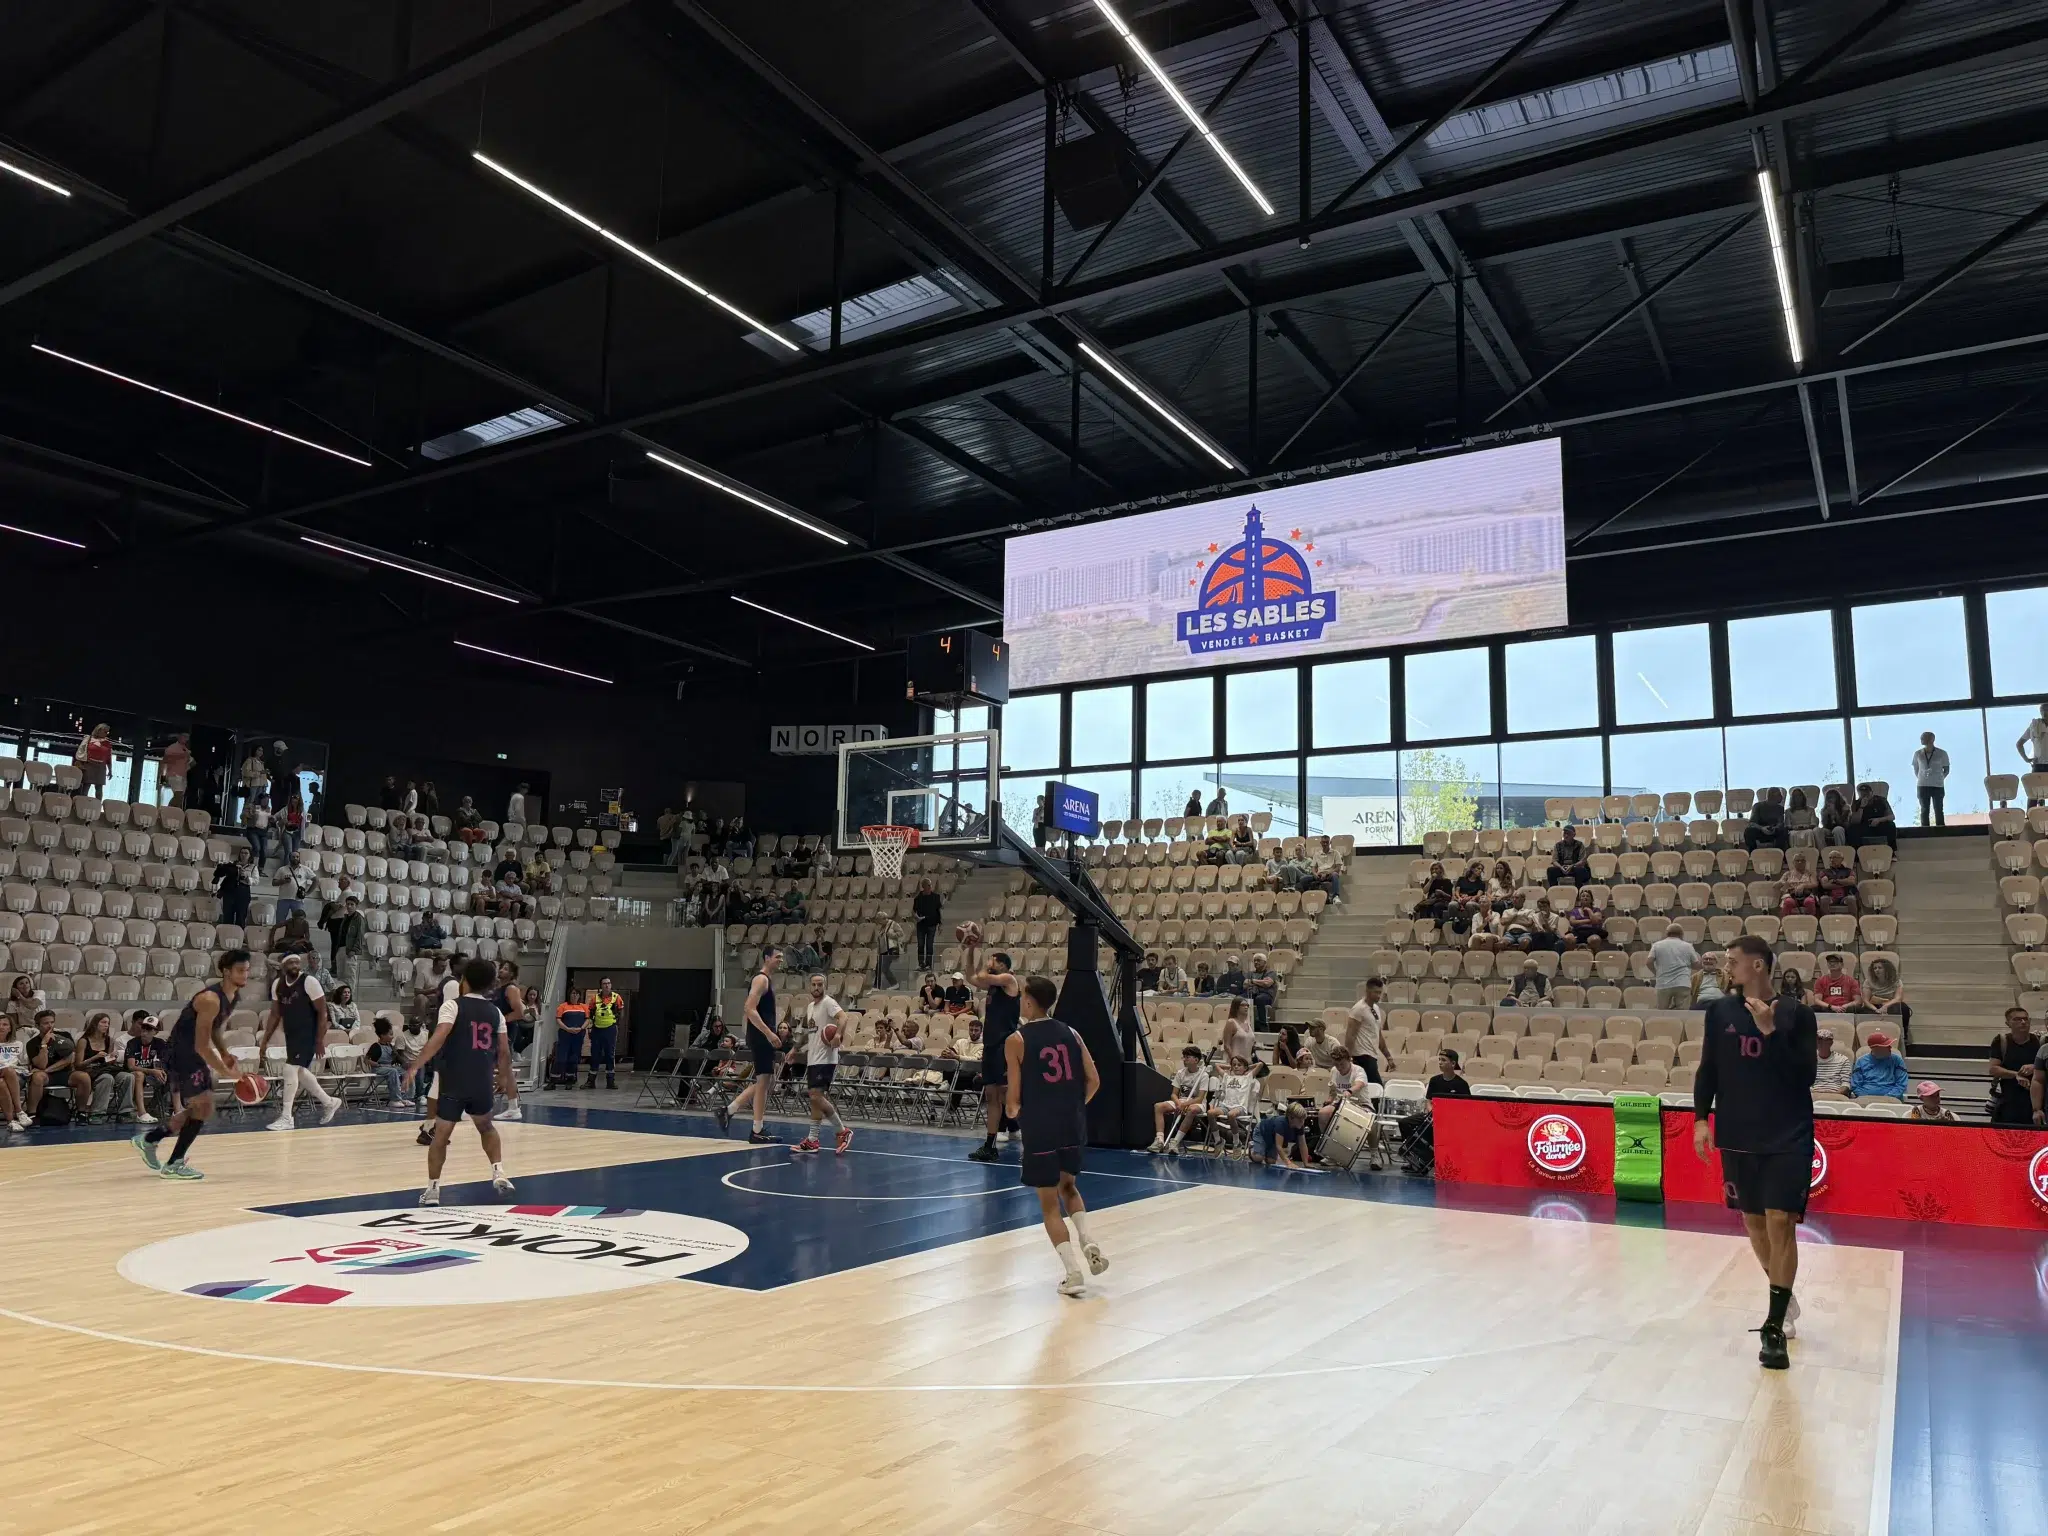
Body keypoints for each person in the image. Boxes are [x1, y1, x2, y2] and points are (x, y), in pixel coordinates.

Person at [1691, 934, 1817, 1370]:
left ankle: (1773, 1327)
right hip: (1739, 1132)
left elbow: (1805, 1077)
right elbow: (1709, 1067)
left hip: (1788, 1132)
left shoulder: (1796, 1014)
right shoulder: (1720, 1011)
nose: (1728, 967)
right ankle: (1785, 1296)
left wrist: (1770, 1033)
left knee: (1782, 1223)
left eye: (1734, 961)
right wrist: (1701, 1119)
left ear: (1758, 966)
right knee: (1755, 1225)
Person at [1004, 974, 1106, 1297]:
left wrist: (1013, 1114)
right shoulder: (1072, 1033)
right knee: (1069, 1187)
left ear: (1030, 1001)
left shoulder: (1016, 1040)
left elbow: (1013, 1099)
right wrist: (1074, 1106)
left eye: (1023, 997)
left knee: (1049, 1205)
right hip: (1071, 1123)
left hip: (1040, 1127)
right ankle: (1087, 1238)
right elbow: (1094, 1080)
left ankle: (1073, 1273)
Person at [402, 957, 516, 1205]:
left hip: (454, 1078)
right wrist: (505, 1077)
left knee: (440, 1135)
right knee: (486, 1127)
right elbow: (504, 1051)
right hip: (482, 1079)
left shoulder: (452, 1006)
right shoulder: (496, 1012)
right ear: (489, 985)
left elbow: (439, 1037)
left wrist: (415, 1066)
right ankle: (498, 1171)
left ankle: (433, 1189)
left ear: (464, 980)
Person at [132, 950, 251, 1180]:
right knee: (204, 1106)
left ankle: (150, 1140)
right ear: (226, 972)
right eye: (240, 970)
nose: (245, 974)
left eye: (247, 970)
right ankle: (173, 1163)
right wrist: (226, 1071)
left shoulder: (233, 997)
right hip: (181, 1051)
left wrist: (225, 1053)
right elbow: (201, 1046)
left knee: (202, 1108)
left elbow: (214, 1029)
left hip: (191, 1052)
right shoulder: (210, 999)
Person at [258, 954, 342, 1131]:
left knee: (289, 1069)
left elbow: (323, 1012)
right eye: (291, 962)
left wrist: (319, 1040)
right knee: (300, 1072)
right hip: (292, 1033)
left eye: (297, 962)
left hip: (309, 1033)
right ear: (283, 966)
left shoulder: (309, 981)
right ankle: (329, 1102)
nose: (295, 965)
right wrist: (264, 1041)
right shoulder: (278, 985)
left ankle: (287, 1117)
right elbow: (274, 1014)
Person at [718, 947, 786, 1143]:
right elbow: (749, 1008)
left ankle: (733, 1112)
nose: (781, 960)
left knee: (766, 1082)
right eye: (777, 957)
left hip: (760, 1036)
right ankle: (754, 1128)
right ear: (767, 958)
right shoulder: (761, 979)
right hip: (760, 1036)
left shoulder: (765, 980)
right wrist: (768, 1033)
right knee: (765, 1081)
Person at [969, 952, 1022, 1163]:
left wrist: (984, 965)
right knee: (991, 1095)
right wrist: (970, 952)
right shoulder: (992, 985)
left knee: (1009, 1095)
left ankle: (1037, 1145)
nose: (989, 963)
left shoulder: (1009, 979)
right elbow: (970, 977)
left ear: (1002, 964)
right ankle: (990, 1145)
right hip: (990, 1045)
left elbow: (981, 977)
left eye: (992, 960)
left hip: (1005, 1045)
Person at [794, 974, 853, 1155]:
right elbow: (807, 1031)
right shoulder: (811, 1006)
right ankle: (812, 1140)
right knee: (814, 1100)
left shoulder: (829, 1002)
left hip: (826, 1058)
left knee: (816, 1096)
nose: (817, 987)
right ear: (809, 987)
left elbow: (843, 1018)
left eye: (820, 984)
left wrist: (837, 1035)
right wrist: (794, 1049)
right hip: (813, 1059)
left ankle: (842, 1131)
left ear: (825, 986)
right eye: (814, 984)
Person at [1148, 1045, 1211, 1153]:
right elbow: (1174, 1094)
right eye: (1184, 1057)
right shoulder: (1180, 1073)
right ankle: (1159, 1140)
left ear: (1196, 1060)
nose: (1184, 1059)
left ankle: (1175, 1142)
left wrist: (1185, 1104)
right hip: (1180, 1101)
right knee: (1158, 1106)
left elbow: (1200, 1098)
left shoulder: (1203, 1075)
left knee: (1192, 1110)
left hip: (1196, 1103)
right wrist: (1178, 1103)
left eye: (1187, 1057)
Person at [490, 964, 530, 1118]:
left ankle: (512, 1107)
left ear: (512, 973)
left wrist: (501, 1021)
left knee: (502, 1067)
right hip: (498, 1031)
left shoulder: (511, 989)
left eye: (505, 969)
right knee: (501, 1068)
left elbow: (520, 1013)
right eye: (501, 968)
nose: (501, 970)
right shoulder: (498, 988)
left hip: (505, 1031)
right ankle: (512, 1106)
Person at [1988, 1006, 2039, 1126]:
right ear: (2008, 1023)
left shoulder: (2039, 1041)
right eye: (2017, 1019)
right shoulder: (2001, 1041)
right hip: (2008, 1102)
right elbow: (1993, 1069)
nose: (2023, 1022)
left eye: (2026, 1019)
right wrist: (2016, 1075)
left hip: (2033, 1102)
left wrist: (2034, 1066)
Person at [1649, 922, 1700, 1011]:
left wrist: (1656, 973)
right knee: (1683, 1013)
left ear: (1667, 933)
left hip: (1663, 983)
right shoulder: (1688, 946)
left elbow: (1648, 962)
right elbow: (1696, 965)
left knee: (1662, 1013)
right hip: (1682, 983)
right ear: (1681, 934)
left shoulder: (1657, 945)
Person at [1343, 977, 1385, 1083]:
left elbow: (1378, 1033)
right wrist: (1348, 1057)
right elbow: (1350, 1035)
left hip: (1372, 1054)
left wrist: (1388, 1056)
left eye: (1380, 992)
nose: (1379, 996)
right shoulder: (1358, 1009)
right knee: (1377, 1087)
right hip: (1361, 1055)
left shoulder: (1376, 1009)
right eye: (1376, 992)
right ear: (1367, 991)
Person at [586, 977, 626, 1090]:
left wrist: (617, 1024)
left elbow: (621, 1012)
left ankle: (610, 1081)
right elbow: (590, 1014)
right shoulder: (595, 998)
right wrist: (590, 1028)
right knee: (595, 1055)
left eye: (608, 983)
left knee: (610, 1054)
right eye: (604, 984)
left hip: (610, 1029)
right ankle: (591, 1081)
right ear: (601, 986)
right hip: (597, 1029)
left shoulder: (616, 997)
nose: (607, 985)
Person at [1252, 1100, 1315, 1169]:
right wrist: (1288, 1163)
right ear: (1291, 1118)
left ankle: (1263, 1150)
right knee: (1259, 1157)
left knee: (1271, 1161)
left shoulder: (1299, 1125)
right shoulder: (1281, 1123)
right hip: (1262, 1132)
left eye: (1303, 1120)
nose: (1302, 1122)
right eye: (1300, 1120)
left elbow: (1302, 1144)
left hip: (1272, 1138)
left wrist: (1306, 1163)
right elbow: (1279, 1146)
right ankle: (1252, 1147)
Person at [1849, 1031, 1908, 1100]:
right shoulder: (1861, 1061)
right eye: (1886, 1046)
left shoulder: (1897, 1060)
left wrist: (1888, 1098)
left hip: (1891, 1099)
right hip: (1865, 1098)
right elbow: (1856, 1086)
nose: (1890, 1048)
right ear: (1874, 1049)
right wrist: (1866, 1098)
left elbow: (1901, 1084)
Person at [550, 988, 589, 1087]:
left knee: (574, 1057)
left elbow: (587, 1020)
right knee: (561, 1057)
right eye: (573, 993)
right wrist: (567, 1028)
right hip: (565, 1035)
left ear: (579, 996)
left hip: (578, 1035)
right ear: (569, 994)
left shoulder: (584, 1007)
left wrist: (581, 1028)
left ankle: (570, 1079)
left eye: (576, 993)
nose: (574, 995)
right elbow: (558, 1020)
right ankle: (554, 1080)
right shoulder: (563, 1006)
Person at [1911, 732, 1950, 828]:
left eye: (1923, 738)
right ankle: (1925, 831)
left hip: (1938, 785)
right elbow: (1916, 769)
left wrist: (1939, 778)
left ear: (1931, 739)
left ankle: (1941, 831)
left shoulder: (1942, 753)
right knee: (1924, 809)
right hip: (1922, 785)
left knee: (1939, 809)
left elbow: (1946, 769)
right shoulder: (1918, 753)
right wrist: (1922, 777)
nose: (1921, 739)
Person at [365, 1019, 405, 1106]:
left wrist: (395, 1055)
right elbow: (366, 1060)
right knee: (393, 1071)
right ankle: (394, 1099)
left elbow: (393, 1061)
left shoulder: (390, 1046)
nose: (392, 1036)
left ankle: (406, 1098)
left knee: (405, 1072)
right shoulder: (375, 1046)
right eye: (390, 1034)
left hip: (389, 1067)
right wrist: (377, 1064)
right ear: (382, 1035)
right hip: (378, 1069)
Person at [75, 722, 115, 797]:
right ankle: (81, 804)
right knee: (86, 786)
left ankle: (97, 805)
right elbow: (81, 752)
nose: (106, 733)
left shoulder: (107, 743)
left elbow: (108, 758)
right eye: (105, 731)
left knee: (99, 788)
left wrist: (110, 770)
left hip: (101, 767)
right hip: (89, 765)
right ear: (99, 730)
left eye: (107, 732)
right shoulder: (89, 739)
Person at [912, 879, 942, 968]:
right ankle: (921, 963)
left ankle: (928, 964)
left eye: (930, 885)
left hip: (932, 924)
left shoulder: (936, 897)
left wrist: (940, 924)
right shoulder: (918, 898)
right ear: (923, 886)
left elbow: (938, 911)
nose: (930, 887)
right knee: (921, 945)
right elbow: (914, 911)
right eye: (928, 885)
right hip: (921, 924)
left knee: (929, 945)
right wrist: (916, 917)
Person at [2017, 703, 2048, 790]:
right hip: (2038, 764)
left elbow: (2019, 744)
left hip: (2038, 766)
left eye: (2047, 710)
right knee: (2034, 793)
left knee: (2035, 792)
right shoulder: (2034, 725)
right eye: (2043, 710)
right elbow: (2019, 744)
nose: (2045, 712)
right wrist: (2026, 759)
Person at [1811, 1028, 1851, 1096]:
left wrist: (1834, 1095)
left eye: (1822, 1040)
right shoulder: (1809, 1060)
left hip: (1836, 1094)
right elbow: (1806, 1082)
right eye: (1818, 1040)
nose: (1819, 1043)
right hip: (1814, 1094)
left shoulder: (1843, 1059)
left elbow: (1845, 1084)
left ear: (1830, 1043)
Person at [243, 792, 272, 872]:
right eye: (264, 800)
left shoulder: (268, 808)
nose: (265, 802)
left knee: (264, 850)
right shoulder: (253, 806)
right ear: (260, 800)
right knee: (257, 847)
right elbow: (245, 815)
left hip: (263, 831)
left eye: (267, 800)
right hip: (253, 830)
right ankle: (253, 867)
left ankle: (261, 869)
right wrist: (251, 813)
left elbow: (268, 819)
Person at [160, 732, 191, 807]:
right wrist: (162, 779)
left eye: (187, 737)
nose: (186, 739)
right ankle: (169, 811)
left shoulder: (185, 750)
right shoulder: (172, 748)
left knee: (180, 797)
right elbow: (165, 762)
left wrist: (187, 767)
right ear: (179, 737)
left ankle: (173, 812)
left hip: (182, 776)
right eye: (184, 736)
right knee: (178, 795)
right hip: (174, 775)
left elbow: (191, 762)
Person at [878, 916, 903, 986]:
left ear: (884, 919)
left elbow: (901, 933)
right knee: (883, 968)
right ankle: (894, 984)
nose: (879, 923)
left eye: (880, 921)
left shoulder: (893, 924)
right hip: (884, 950)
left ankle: (895, 984)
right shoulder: (882, 927)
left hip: (892, 949)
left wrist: (892, 935)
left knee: (884, 968)